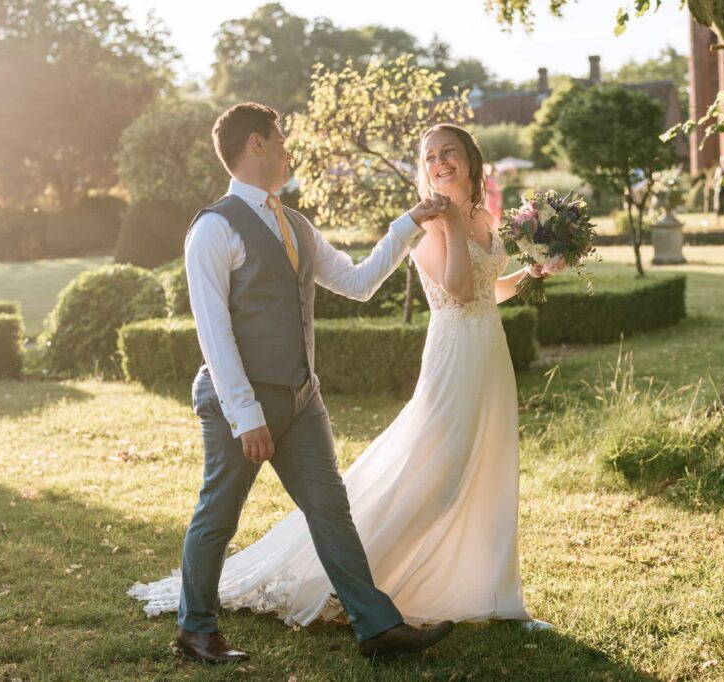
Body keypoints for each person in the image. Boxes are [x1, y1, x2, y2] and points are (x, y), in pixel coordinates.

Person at [130, 119, 563, 650]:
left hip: (300, 394)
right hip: (241, 401)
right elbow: (213, 333)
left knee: (332, 510)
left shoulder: (294, 225)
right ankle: (195, 629)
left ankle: (376, 627)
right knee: (219, 512)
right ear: (256, 143)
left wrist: (407, 223)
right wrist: (246, 415)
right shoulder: (213, 228)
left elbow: (357, 283)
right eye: (281, 140)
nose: (288, 151)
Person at [483, 162, 503, 228]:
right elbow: (484, 188)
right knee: (491, 213)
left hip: (496, 197)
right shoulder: (486, 179)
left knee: (497, 213)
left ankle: (496, 228)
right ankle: (491, 228)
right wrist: (491, 191)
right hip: (491, 198)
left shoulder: (494, 178)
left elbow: (497, 189)